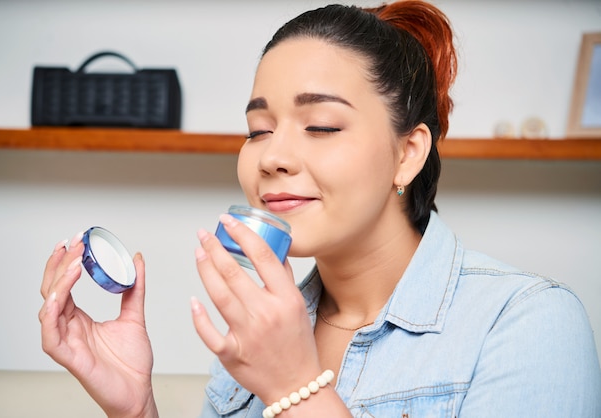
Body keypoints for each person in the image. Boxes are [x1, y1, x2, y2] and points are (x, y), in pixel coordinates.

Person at [39, 1, 601, 417]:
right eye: (258, 129)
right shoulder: (262, 329)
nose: (272, 156)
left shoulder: (528, 323)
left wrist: (293, 385)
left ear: (408, 154)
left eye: (322, 126)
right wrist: (134, 409)